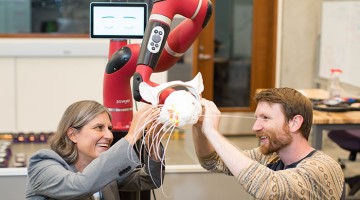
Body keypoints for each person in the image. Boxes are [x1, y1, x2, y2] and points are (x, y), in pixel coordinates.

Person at [192, 87, 345, 199]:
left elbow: (271, 188)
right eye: (256, 118)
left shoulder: (324, 168)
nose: (255, 127)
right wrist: (200, 127)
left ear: (294, 123)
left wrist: (212, 132)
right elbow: (212, 162)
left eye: (265, 118)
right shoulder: (270, 156)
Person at [26, 100, 165, 199]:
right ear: (73, 134)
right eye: (99, 127)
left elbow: (151, 179)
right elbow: (80, 186)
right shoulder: (42, 164)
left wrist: (152, 138)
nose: (109, 135)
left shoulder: (104, 170)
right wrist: (132, 135)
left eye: (110, 128)